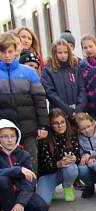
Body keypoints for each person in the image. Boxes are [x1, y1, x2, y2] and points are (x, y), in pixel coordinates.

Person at [0, 32, 49, 175]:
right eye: (3, 52)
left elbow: (39, 100)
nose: (7, 55)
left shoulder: (28, 72)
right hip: (4, 128)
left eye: (10, 51)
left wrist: (43, 125)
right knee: (5, 165)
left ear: (16, 51)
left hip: (28, 127)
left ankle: (30, 194)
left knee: (30, 162)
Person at [0, 119, 48, 211]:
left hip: (19, 193)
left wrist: (21, 203)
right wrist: (18, 170)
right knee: (3, 180)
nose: (10, 140)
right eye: (4, 136)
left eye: (12, 136)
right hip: (2, 195)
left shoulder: (24, 155)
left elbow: (29, 183)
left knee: (42, 207)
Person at [36, 108, 82, 204]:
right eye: (55, 123)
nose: (60, 126)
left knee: (72, 168)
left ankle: (67, 186)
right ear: (50, 125)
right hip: (47, 173)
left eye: (62, 122)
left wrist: (74, 159)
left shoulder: (72, 133)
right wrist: (58, 164)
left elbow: (78, 157)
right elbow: (43, 165)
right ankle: (51, 188)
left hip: (65, 171)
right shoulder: (45, 139)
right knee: (43, 203)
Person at [42, 39, 87, 118]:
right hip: (59, 114)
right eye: (60, 53)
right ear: (54, 53)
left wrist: (79, 109)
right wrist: (67, 110)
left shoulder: (75, 67)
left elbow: (82, 89)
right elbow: (50, 93)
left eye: (65, 52)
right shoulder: (48, 70)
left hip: (78, 112)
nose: (63, 55)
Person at [75, 112, 96, 198]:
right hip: (88, 164)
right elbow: (80, 154)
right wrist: (85, 159)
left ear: (93, 123)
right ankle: (89, 185)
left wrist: (91, 154)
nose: (87, 130)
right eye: (83, 129)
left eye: (89, 126)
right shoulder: (79, 139)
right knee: (81, 167)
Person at [80, 35, 96, 121]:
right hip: (91, 107)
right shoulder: (82, 65)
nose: (88, 49)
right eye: (85, 47)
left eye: (90, 46)